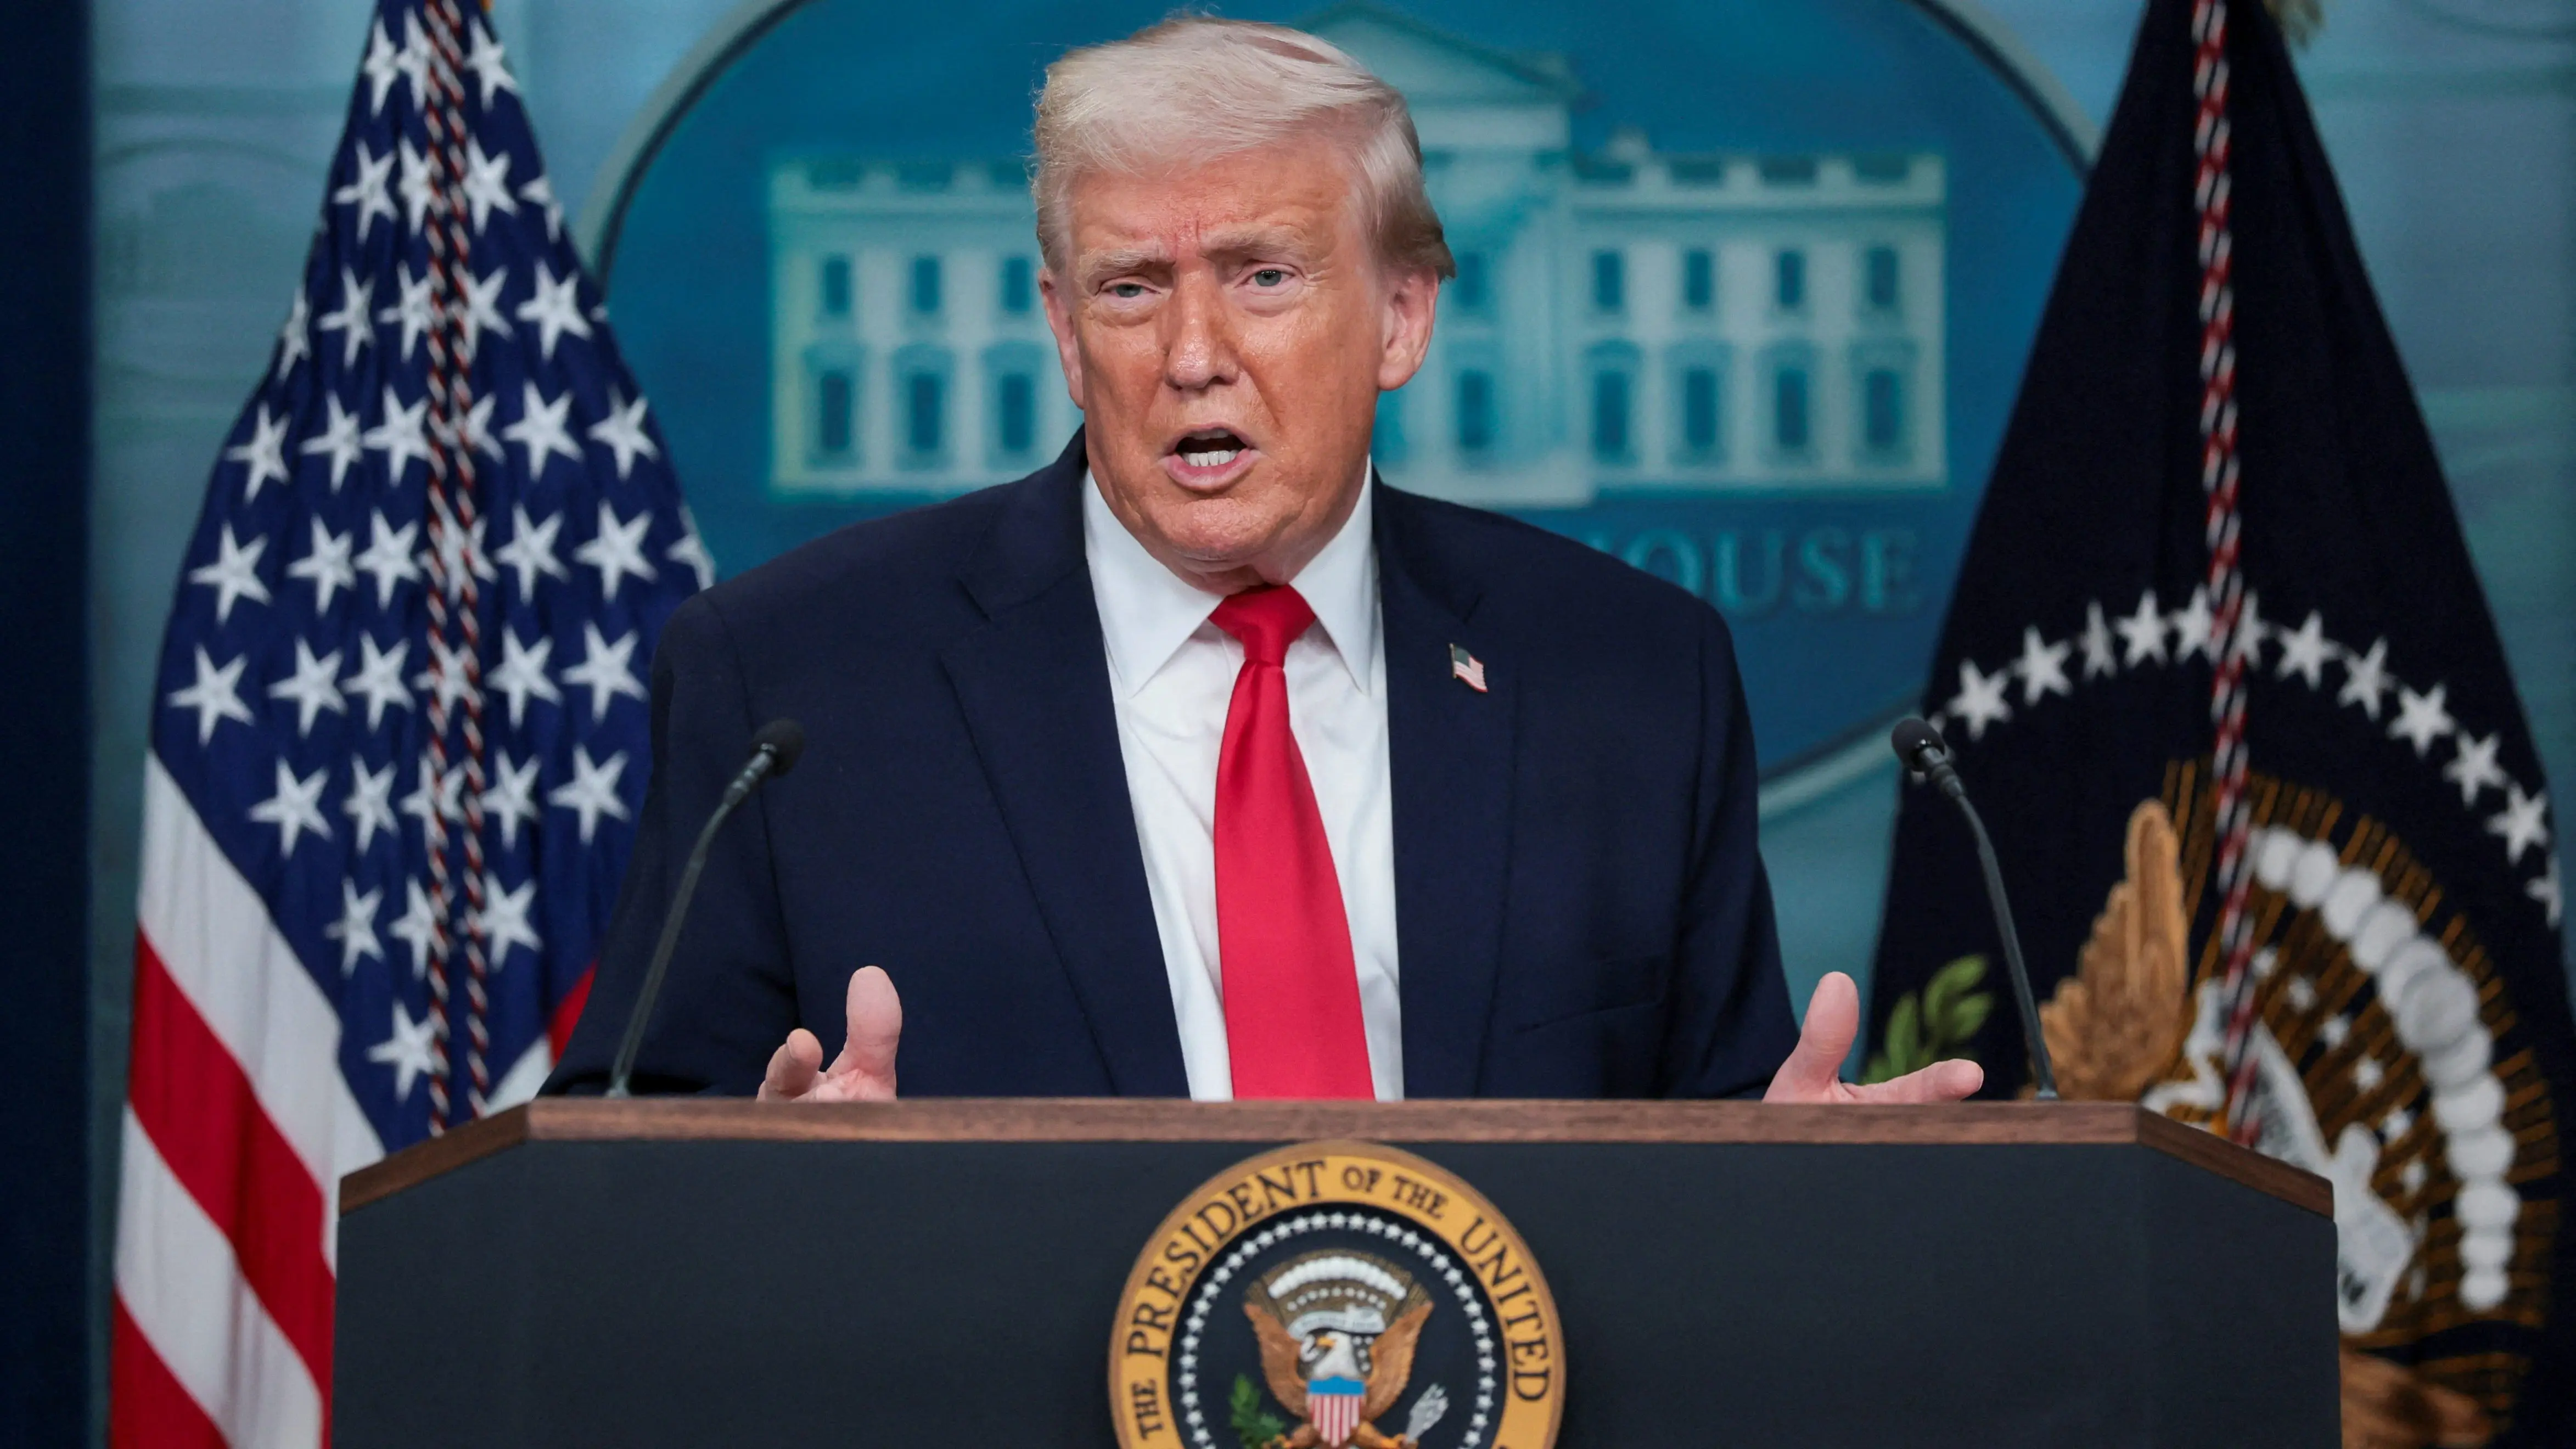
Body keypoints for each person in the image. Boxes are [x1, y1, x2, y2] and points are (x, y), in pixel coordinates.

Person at [545, 18, 1979, 1109]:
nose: (1189, 354)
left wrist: (1785, 1194)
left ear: (1403, 316)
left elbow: (1706, 1155)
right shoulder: (795, 683)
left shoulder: (1629, 674)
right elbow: (626, 1159)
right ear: (1062, 327)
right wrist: (746, 1179)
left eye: (1262, 276)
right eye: (1129, 287)